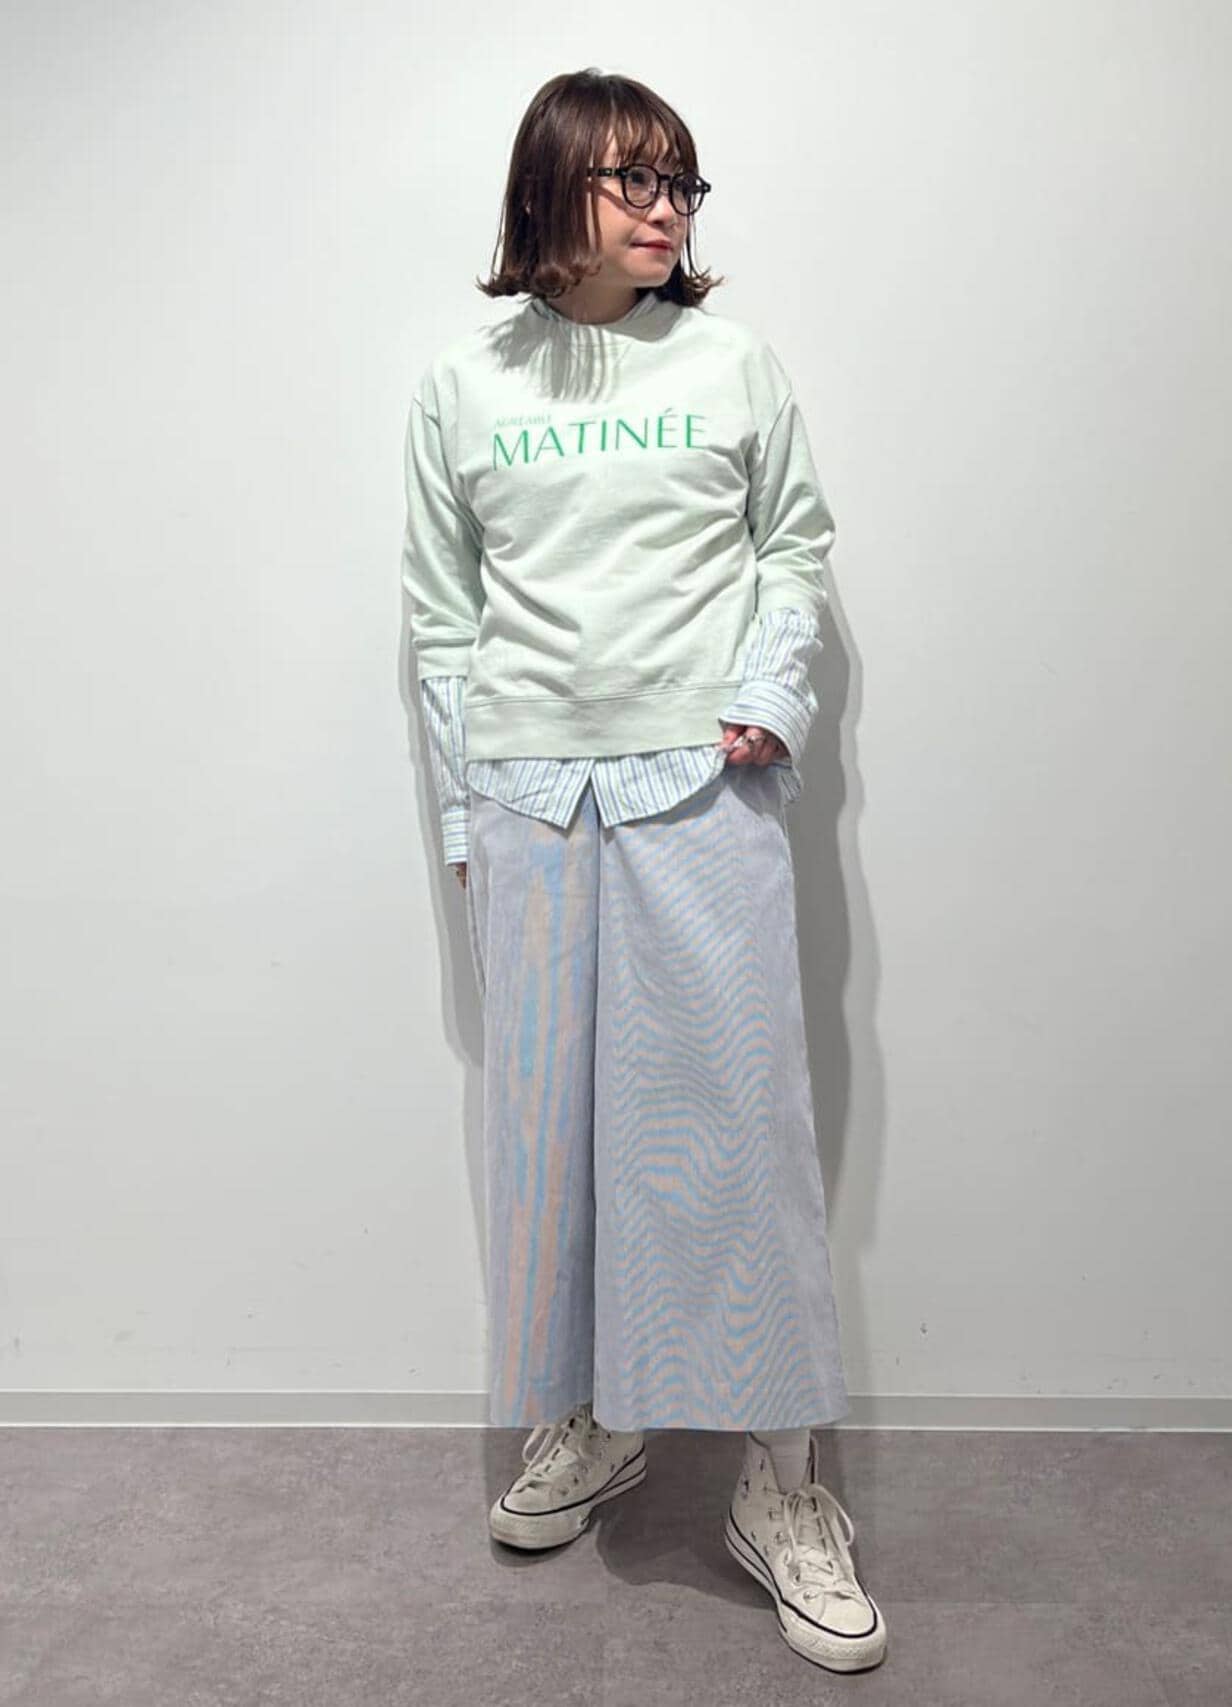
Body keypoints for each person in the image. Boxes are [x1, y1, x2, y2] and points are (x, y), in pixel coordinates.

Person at [400, 67, 886, 1675]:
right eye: (635, 182)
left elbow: (793, 544)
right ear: (554, 190)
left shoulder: (734, 363)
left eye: (683, 183)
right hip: (532, 793)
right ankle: (593, 1419)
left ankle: (782, 1480)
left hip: (699, 782)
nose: (669, 209)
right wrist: (465, 818)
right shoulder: (463, 387)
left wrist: (770, 694)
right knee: (552, 1137)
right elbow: (444, 616)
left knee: (734, 1127)